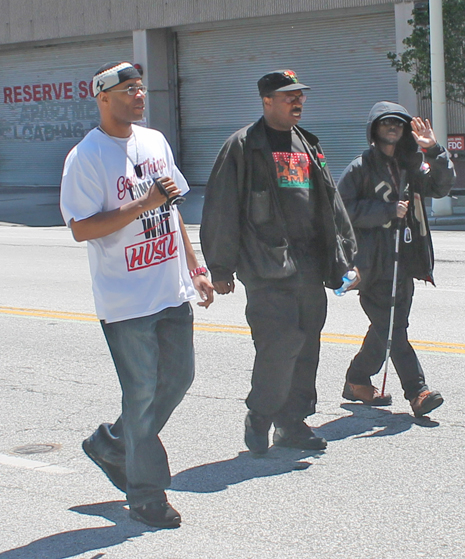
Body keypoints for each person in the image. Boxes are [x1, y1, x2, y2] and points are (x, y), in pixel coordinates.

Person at [60, 61, 214, 529]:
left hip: (170, 289)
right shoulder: (85, 157)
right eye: (129, 90)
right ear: (103, 98)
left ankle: (111, 444)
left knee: (179, 379)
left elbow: (170, 214)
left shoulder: (155, 142)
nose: (139, 96)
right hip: (126, 302)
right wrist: (141, 204)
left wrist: (197, 267)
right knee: (142, 394)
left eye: (142, 89)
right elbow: (81, 228)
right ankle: (146, 494)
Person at [200, 70, 357, 454]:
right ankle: (260, 413)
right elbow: (221, 208)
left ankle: (292, 423)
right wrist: (220, 268)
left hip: (308, 264)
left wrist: (344, 259)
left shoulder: (307, 144)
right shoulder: (242, 146)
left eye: (299, 95)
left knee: (307, 346)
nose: (297, 101)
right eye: (288, 96)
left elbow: (330, 204)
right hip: (265, 264)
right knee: (279, 344)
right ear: (266, 100)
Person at [337, 101, 456, 417]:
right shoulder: (360, 168)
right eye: (385, 122)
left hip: (404, 262)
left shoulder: (411, 166)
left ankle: (357, 379)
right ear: (374, 129)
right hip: (371, 266)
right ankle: (417, 391)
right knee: (393, 329)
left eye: (398, 123)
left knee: (388, 327)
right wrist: (386, 211)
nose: (393, 127)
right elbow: (341, 211)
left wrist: (434, 151)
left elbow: (442, 187)